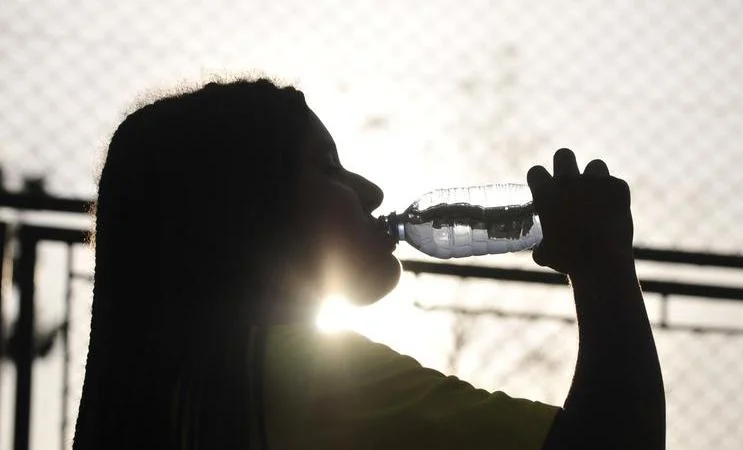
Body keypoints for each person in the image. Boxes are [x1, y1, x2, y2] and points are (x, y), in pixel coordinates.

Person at [73, 78, 665, 450]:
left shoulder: (170, 400)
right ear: (248, 205)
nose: (373, 191)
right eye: (329, 167)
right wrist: (601, 261)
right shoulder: (299, 379)